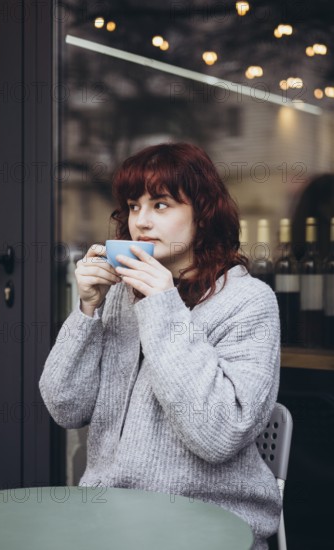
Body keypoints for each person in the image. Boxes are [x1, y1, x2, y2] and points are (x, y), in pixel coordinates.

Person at [39, 142, 281, 550]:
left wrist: (162, 306)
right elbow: (65, 407)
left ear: (202, 216)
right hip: (109, 515)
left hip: (207, 522)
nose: (142, 222)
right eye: (134, 206)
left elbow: (218, 435)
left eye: (161, 205)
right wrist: (86, 311)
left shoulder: (249, 302)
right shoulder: (119, 297)